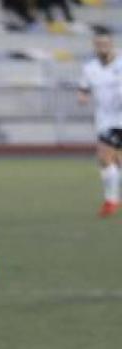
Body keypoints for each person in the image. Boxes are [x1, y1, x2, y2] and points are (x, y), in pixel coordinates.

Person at [77, 27, 121, 218]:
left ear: (112, 44)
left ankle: (111, 201)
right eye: (98, 44)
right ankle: (112, 200)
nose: (102, 47)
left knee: (104, 157)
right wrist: (82, 97)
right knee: (115, 161)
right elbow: (83, 88)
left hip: (119, 119)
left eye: (105, 43)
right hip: (104, 119)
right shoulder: (90, 68)